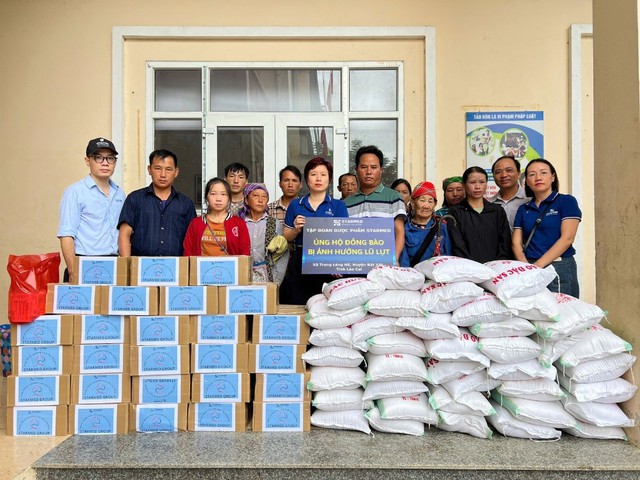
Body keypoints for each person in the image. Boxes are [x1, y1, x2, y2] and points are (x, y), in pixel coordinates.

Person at [58, 137, 125, 282]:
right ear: (87, 161)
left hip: (113, 264)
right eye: (98, 158)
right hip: (84, 263)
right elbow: (66, 234)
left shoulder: (119, 193)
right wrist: (73, 271)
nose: (105, 163)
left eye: (110, 158)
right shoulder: (74, 192)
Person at [282, 157, 349, 304]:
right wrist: (296, 229)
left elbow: (344, 238)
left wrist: (337, 263)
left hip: (328, 260)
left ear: (329, 179)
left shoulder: (338, 206)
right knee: (298, 302)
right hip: (301, 258)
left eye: (323, 174)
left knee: (327, 305)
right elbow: (287, 236)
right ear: (306, 179)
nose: (318, 178)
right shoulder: (295, 204)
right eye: (313, 174)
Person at [512, 158, 582, 297]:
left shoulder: (566, 201)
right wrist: (526, 267)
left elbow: (567, 238)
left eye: (543, 173)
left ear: (552, 177)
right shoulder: (523, 208)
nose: (538, 177)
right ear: (527, 181)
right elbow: (516, 242)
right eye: (532, 174)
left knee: (563, 313)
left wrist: (537, 267)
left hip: (559, 266)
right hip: (529, 266)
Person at [118, 149, 196, 257]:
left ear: (176, 172)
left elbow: (192, 240)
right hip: (141, 267)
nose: (163, 174)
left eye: (168, 169)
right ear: (149, 169)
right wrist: (127, 268)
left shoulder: (186, 203)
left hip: (176, 268)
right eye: (158, 169)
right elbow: (124, 235)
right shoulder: (135, 199)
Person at [344, 145, 406, 262]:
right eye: (363, 167)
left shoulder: (393, 197)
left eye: (373, 167)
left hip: (384, 265)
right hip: (353, 265)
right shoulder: (346, 203)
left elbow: (399, 231)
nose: (368, 172)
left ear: (380, 170)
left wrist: (394, 258)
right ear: (356, 169)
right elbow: (342, 237)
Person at [448, 166, 512, 263]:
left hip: (496, 270)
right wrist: (473, 268)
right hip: (468, 270)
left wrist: (498, 265)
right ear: (464, 185)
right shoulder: (455, 212)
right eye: (472, 182)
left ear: (486, 184)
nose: (477, 186)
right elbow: (458, 245)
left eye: (482, 182)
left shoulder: (497, 211)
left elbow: (505, 243)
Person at [182, 177, 250, 256]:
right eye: (213, 194)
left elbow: (245, 254)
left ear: (229, 198)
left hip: (229, 268)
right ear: (207, 198)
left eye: (223, 194)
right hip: (201, 268)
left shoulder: (238, 223)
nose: (218, 199)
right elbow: (187, 252)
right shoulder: (196, 223)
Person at [240, 183, 288, 285]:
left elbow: (282, 253)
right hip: (241, 275)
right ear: (246, 200)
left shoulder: (274, 224)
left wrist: (276, 280)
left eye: (264, 197)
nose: (260, 200)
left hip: (268, 277)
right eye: (255, 196)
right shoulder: (239, 223)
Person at [399, 181, 451, 267]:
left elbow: (448, 256)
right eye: (422, 200)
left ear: (435, 204)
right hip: (411, 276)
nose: (426, 206)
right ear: (412, 202)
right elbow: (403, 261)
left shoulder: (441, 227)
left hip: (436, 276)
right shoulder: (404, 227)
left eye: (430, 202)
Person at [489, 155, 530, 230]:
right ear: (493, 176)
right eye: (498, 172)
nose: (504, 175)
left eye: (509, 170)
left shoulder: (530, 200)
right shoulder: (488, 204)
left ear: (518, 174)